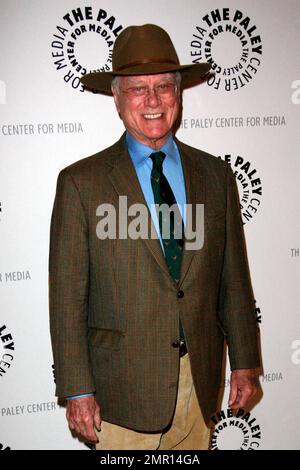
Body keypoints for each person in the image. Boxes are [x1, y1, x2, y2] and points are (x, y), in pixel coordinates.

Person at [49, 24, 260, 450]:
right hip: (121, 396)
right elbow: (67, 297)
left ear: (178, 93)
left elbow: (234, 281)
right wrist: (76, 389)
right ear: (117, 98)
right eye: (137, 89)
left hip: (199, 387)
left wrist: (245, 363)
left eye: (163, 86)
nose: (152, 100)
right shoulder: (81, 184)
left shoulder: (216, 177)